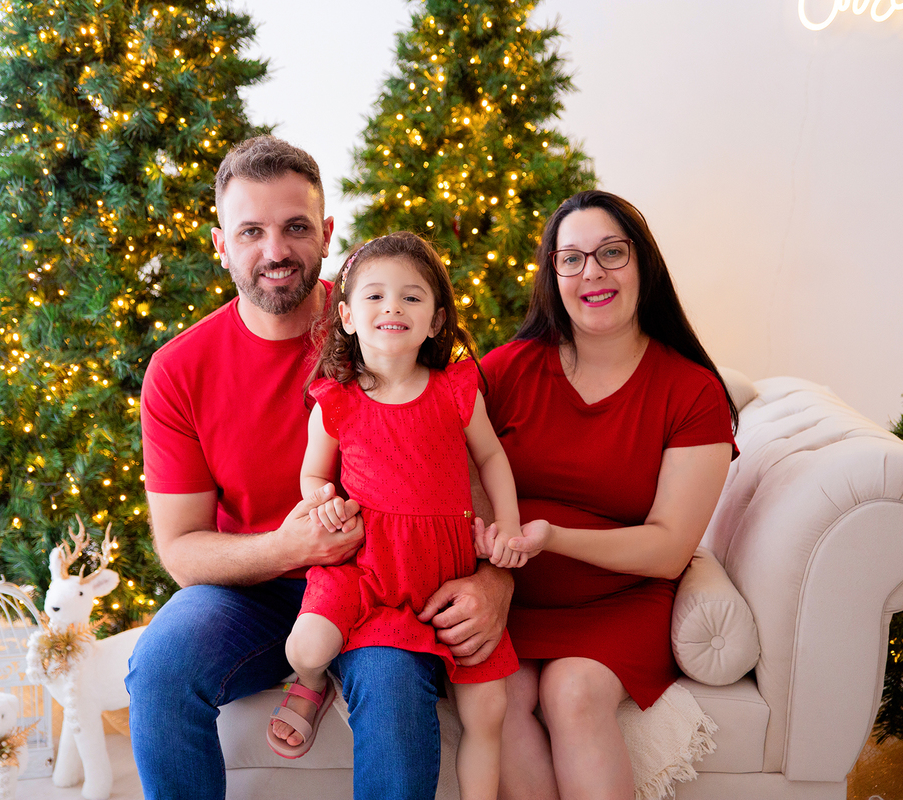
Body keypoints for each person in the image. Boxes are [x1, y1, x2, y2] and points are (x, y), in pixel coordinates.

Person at [126, 136, 515, 800]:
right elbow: (182, 550)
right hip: (255, 592)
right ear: (221, 245)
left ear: (327, 234)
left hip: (388, 582)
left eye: (296, 227)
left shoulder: (387, 317)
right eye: (251, 231)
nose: (275, 250)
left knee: (392, 681)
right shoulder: (179, 370)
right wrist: (291, 547)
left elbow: (465, 465)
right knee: (160, 668)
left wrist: (494, 582)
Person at [478, 190, 739, 799]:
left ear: (642, 264)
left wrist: (553, 538)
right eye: (571, 259)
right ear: (553, 277)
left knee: (571, 692)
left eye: (611, 253)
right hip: (512, 599)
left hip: (622, 598)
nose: (591, 272)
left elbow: (669, 550)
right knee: (496, 696)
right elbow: (441, 455)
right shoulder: (507, 370)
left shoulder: (692, 391)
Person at [267, 233, 525, 799]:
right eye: (376, 296)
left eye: (412, 297)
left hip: (445, 571)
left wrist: (507, 526)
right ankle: (311, 685)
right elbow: (312, 477)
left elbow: (491, 458)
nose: (393, 307)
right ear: (347, 316)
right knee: (303, 649)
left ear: (436, 321)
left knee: (489, 709)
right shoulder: (335, 401)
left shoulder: (456, 391)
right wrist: (324, 502)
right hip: (367, 568)